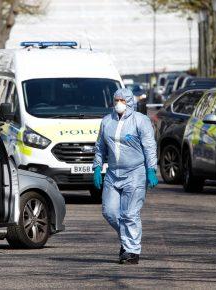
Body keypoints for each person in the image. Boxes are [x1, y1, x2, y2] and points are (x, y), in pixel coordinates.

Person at [92, 88, 158, 265]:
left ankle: (132, 251)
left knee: (130, 213)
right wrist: (97, 167)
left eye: (122, 100)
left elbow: (149, 147)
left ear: (130, 101)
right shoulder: (107, 121)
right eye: (116, 100)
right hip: (113, 174)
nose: (118, 103)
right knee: (110, 211)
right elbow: (100, 147)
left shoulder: (141, 121)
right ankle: (128, 242)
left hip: (135, 173)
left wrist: (151, 169)